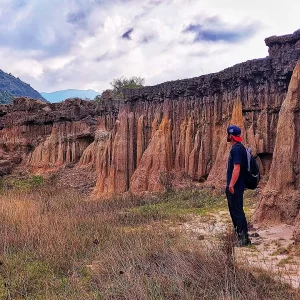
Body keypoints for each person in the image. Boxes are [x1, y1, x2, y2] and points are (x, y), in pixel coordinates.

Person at [226, 125, 251, 247]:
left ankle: (243, 238)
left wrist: (231, 184)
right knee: (236, 211)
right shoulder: (240, 148)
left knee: (237, 212)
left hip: (235, 187)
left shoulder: (236, 149)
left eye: (228, 134)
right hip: (238, 186)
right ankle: (241, 236)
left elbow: (237, 168)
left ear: (230, 136)